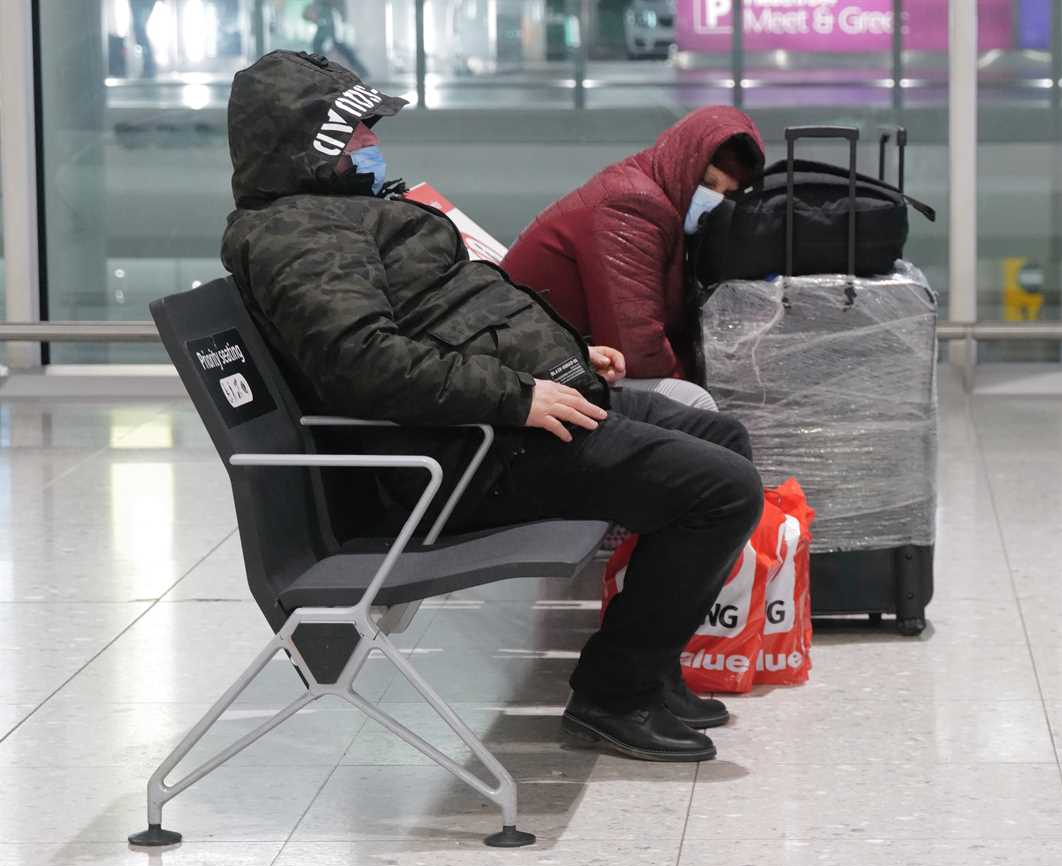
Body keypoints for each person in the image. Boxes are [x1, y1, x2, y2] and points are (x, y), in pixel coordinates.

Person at [220, 52, 763, 762]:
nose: (370, 144)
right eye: (356, 132)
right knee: (724, 491)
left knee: (723, 440)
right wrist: (521, 394)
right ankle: (614, 692)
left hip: (492, 427)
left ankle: (648, 666)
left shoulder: (338, 215)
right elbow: (365, 365)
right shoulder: (300, 235)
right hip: (465, 459)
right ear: (307, 142)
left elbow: (449, 317)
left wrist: (570, 351)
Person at [501, 108, 764, 397]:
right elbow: (635, 349)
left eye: (726, 194)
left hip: (566, 357)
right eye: (707, 183)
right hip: (533, 374)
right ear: (685, 163)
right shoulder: (633, 207)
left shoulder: (654, 193)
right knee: (698, 405)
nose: (713, 201)